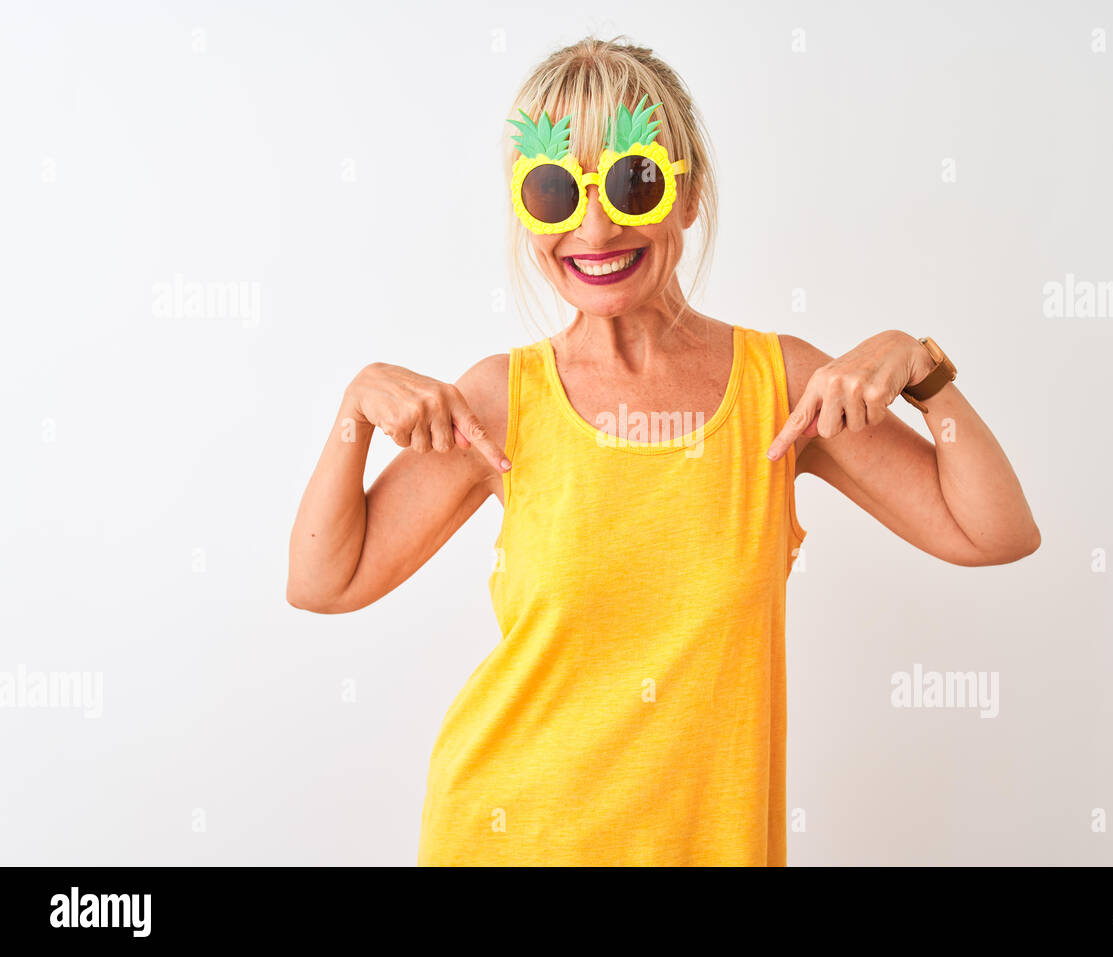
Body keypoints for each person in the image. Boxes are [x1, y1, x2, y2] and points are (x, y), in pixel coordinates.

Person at [286, 36, 1040, 866]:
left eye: (632, 181)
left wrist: (923, 370)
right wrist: (354, 408)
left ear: (688, 196)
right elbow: (326, 579)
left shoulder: (778, 388)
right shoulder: (505, 400)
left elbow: (995, 531)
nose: (596, 226)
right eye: (553, 191)